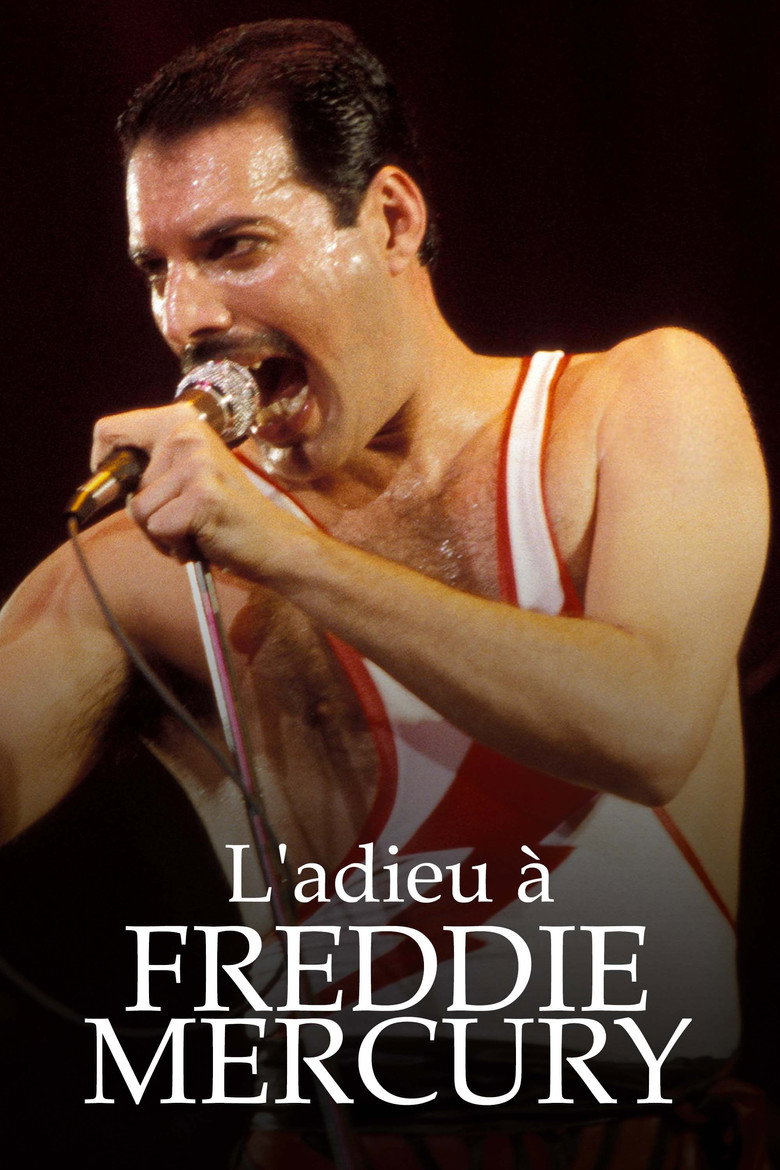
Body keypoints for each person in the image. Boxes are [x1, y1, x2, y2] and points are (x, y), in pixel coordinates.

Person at [0, 17, 770, 1170]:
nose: (187, 315)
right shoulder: (147, 562)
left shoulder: (640, 402)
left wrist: (286, 551)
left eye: (233, 247)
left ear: (393, 219)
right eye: (156, 268)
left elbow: (651, 726)